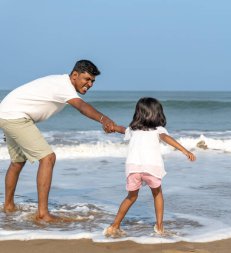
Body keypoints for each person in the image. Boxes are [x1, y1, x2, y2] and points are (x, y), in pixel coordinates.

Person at [0, 60, 116, 222]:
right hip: (15, 116)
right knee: (48, 158)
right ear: (75, 75)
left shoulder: (60, 82)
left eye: (92, 81)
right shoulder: (64, 86)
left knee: (18, 161)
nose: (89, 84)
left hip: (6, 113)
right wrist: (104, 119)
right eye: (86, 79)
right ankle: (43, 214)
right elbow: (82, 107)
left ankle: (8, 206)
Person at [104, 97, 196, 237]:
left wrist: (112, 127)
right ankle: (159, 226)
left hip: (133, 168)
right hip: (151, 167)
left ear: (138, 114)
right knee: (157, 194)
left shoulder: (133, 129)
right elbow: (166, 138)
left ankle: (114, 225)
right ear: (157, 114)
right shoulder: (159, 129)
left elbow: (122, 130)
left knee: (131, 196)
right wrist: (184, 150)